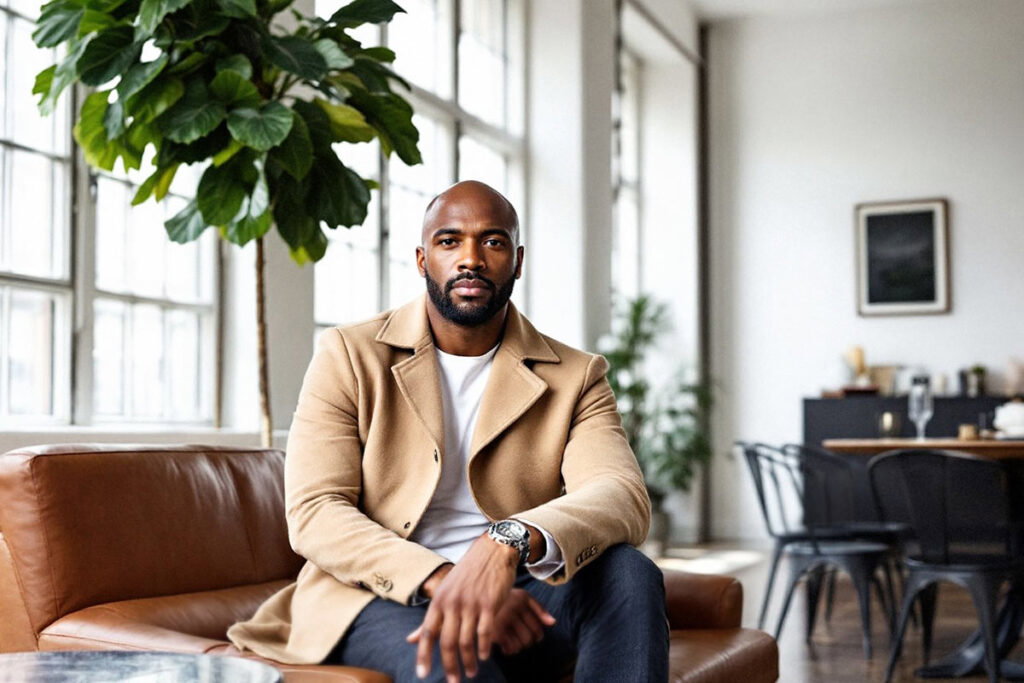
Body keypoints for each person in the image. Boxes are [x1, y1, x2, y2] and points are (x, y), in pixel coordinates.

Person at [228, 181, 669, 681]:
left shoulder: (575, 375)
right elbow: (316, 512)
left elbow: (622, 495)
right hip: (378, 596)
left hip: (520, 589)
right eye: (449, 241)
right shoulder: (348, 356)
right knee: (449, 659)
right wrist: (448, 580)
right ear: (421, 260)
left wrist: (506, 543)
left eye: (493, 242)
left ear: (518, 261)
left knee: (630, 575)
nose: (471, 259)